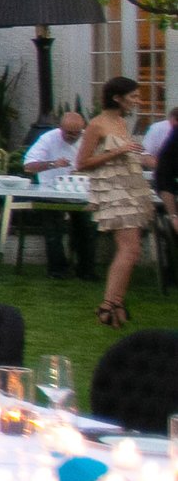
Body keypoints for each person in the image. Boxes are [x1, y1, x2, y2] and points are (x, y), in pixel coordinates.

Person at [80, 76, 157, 326]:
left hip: (131, 189)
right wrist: (119, 151)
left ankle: (115, 303)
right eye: (133, 96)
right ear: (117, 98)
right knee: (129, 249)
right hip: (113, 192)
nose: (138, 101)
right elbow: (82, 163)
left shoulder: (122, 122)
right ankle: (108, 305)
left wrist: (139, 156)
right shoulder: (97, 124)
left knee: (132, 250)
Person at [24, 109, 97, 282]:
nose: (73, 137)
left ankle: (86, 270)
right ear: (60, 128)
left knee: (87, 228)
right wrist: (52, 164)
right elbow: (28, 166)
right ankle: (57, 270)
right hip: (51, 191)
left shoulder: (88, 138)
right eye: (69, 133)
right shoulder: (48, 139)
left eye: (77, 133)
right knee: (53, 230)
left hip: (81, 193)